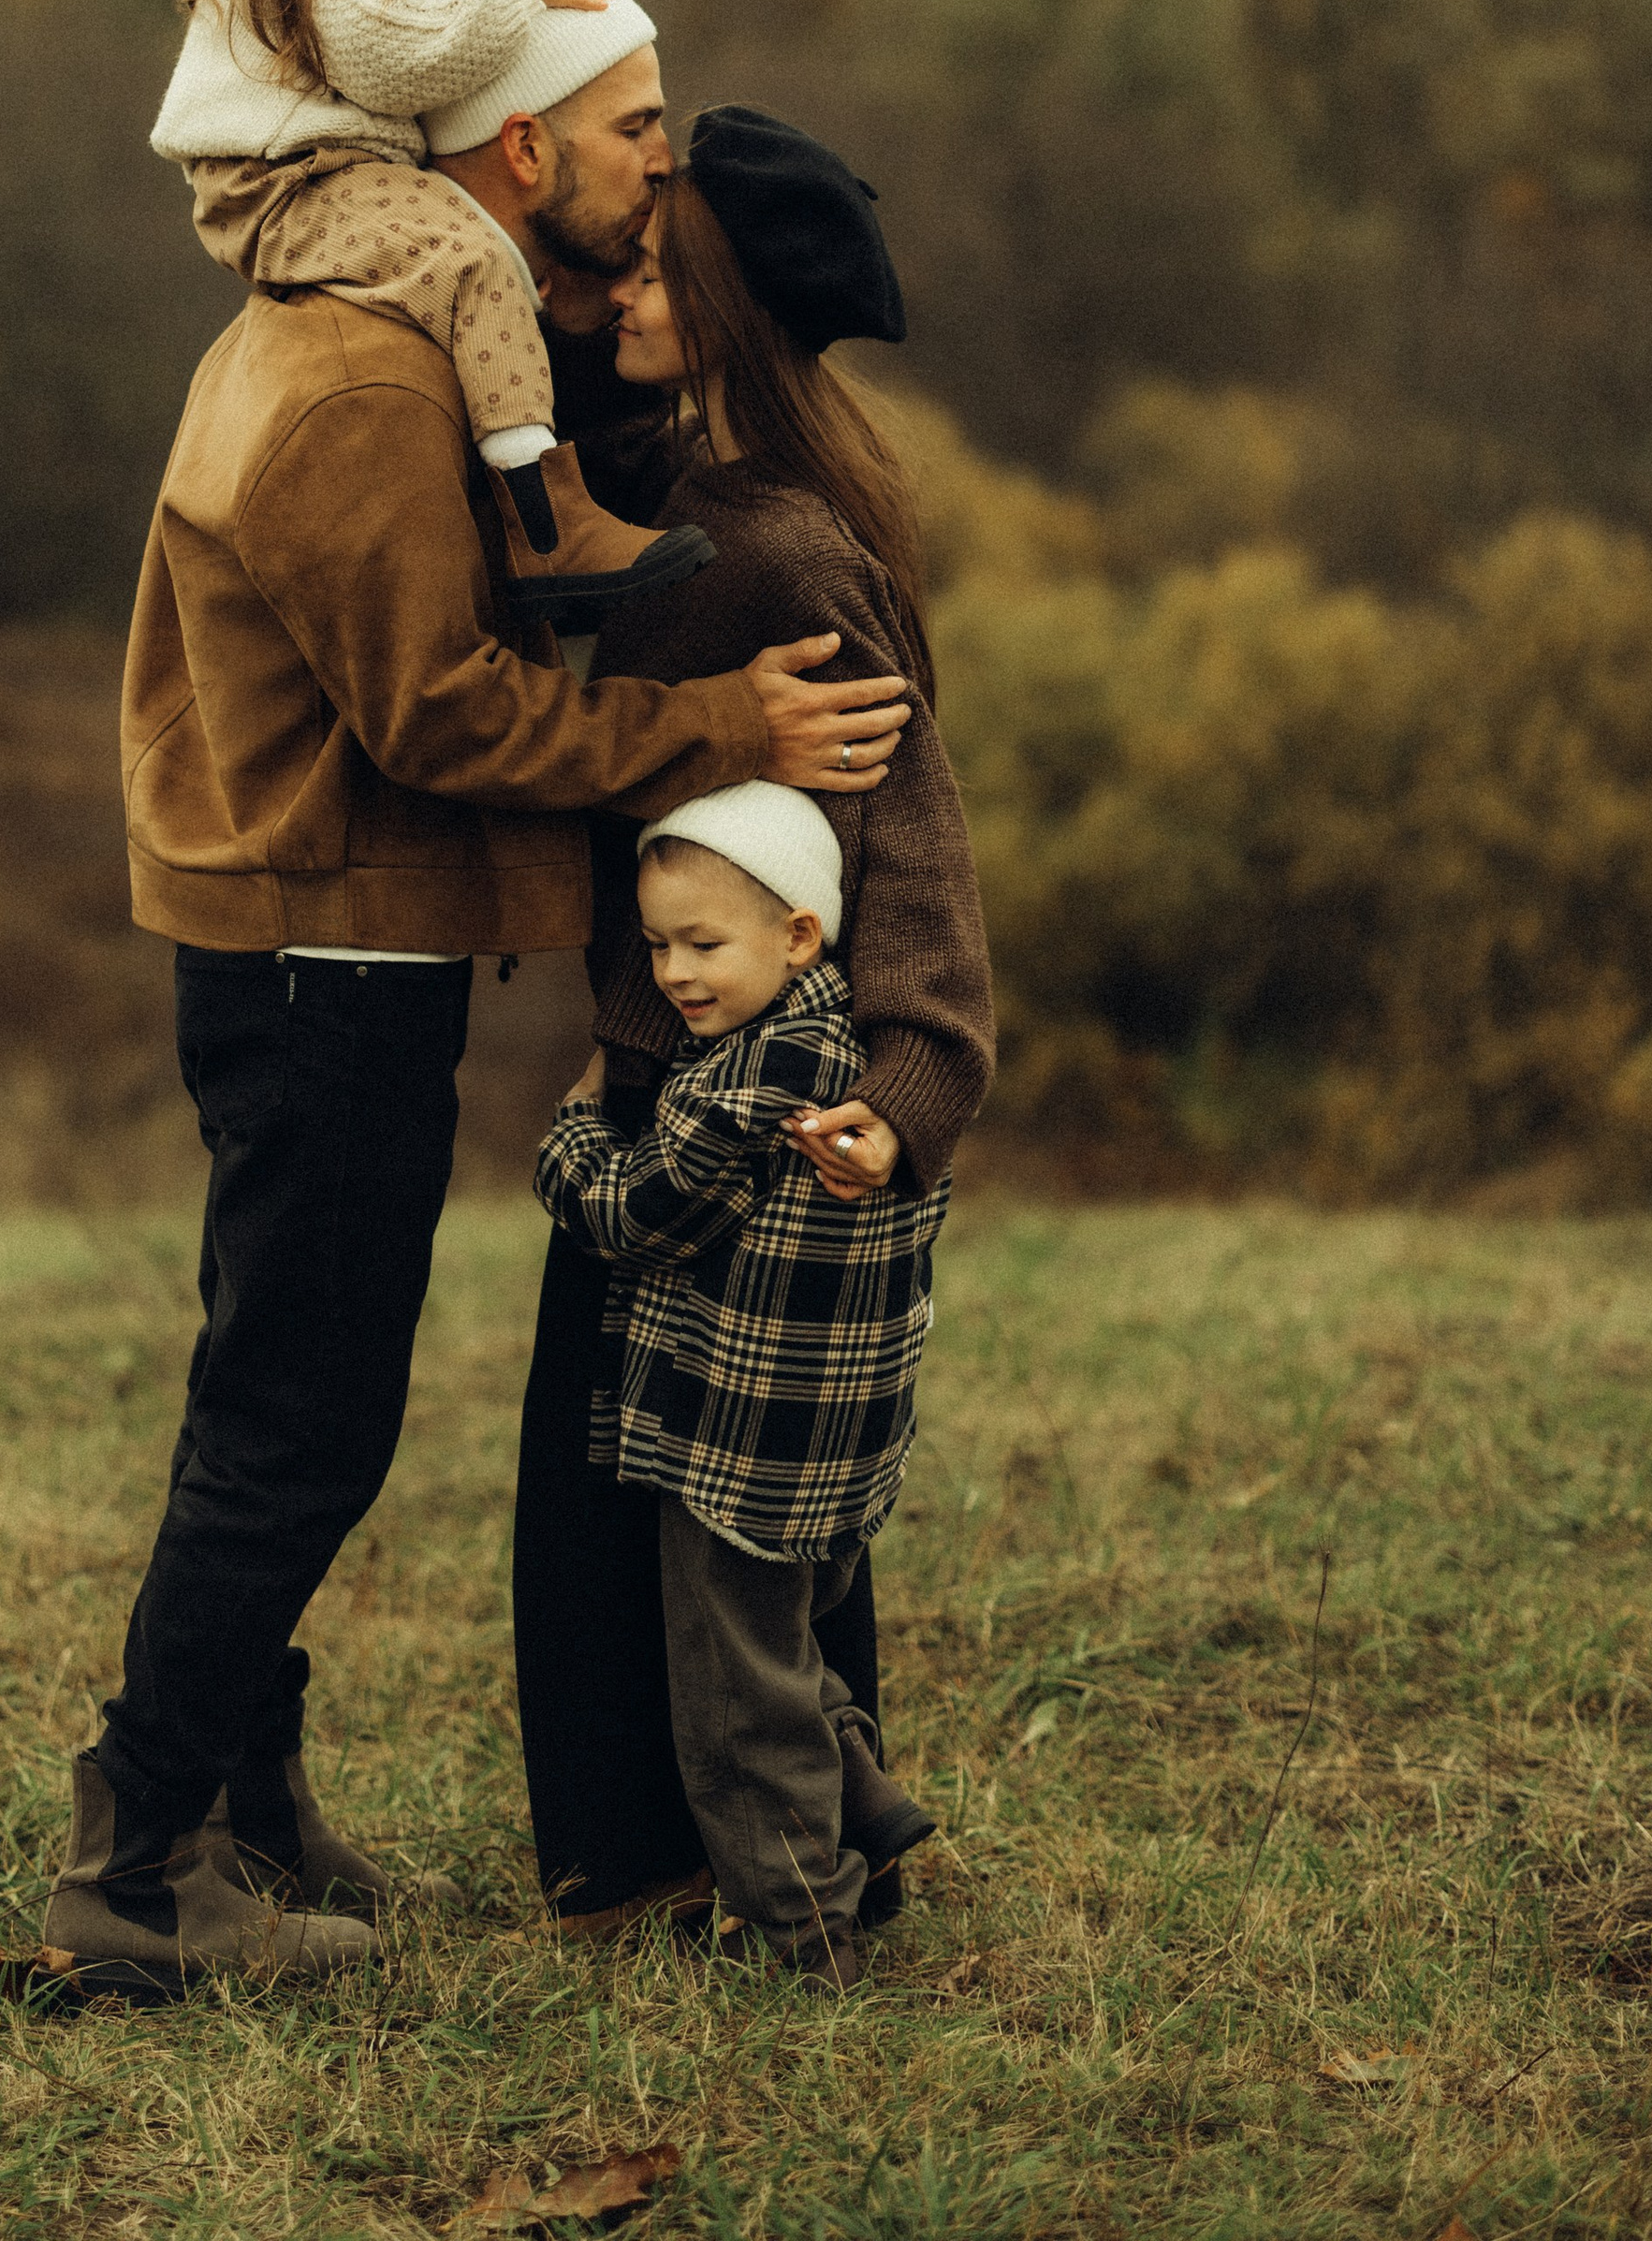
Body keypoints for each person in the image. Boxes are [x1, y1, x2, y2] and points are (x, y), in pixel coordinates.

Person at [41, 32, 917, 2000]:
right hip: (323, 959)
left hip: (325, 939)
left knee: (282, 1392)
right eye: (632, 129)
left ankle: (241, 1798)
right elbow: (434, 713)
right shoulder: (365, 381)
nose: (659, 162)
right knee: (300, 1419)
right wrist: (725, 729)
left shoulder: (401, 333)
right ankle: (137, 1859)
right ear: (520, 149)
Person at [513, 106, 994, 1941]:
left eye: (652, 266)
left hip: (728, 1109)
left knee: (671, 1504)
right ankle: (789, 1831)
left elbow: (912, 832)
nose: (615, 289)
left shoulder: (767, 551)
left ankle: (693, 1867)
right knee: (725, 1500)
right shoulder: (693, 496)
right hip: (696, 1065)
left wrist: (915, 1071)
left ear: (722, 303)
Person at [153, 0, 709, 622]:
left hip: (326, 164)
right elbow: (392, 61)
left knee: (494, 260)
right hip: (280, 176)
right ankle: (546, 524)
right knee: (472, 262)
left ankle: (549, 495)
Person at [536, 782, 947, 1992]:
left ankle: (806, 1935)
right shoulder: (871, 1063)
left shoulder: (756, 1079)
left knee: (737, 1700)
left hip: (745, 1447)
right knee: (786, 1648)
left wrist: (571, 1133)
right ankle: (865, 1805)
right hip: (835, 1446)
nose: (673, 973)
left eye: (702, 944)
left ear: (798, 934)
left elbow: (630, 1214)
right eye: (657, 945)